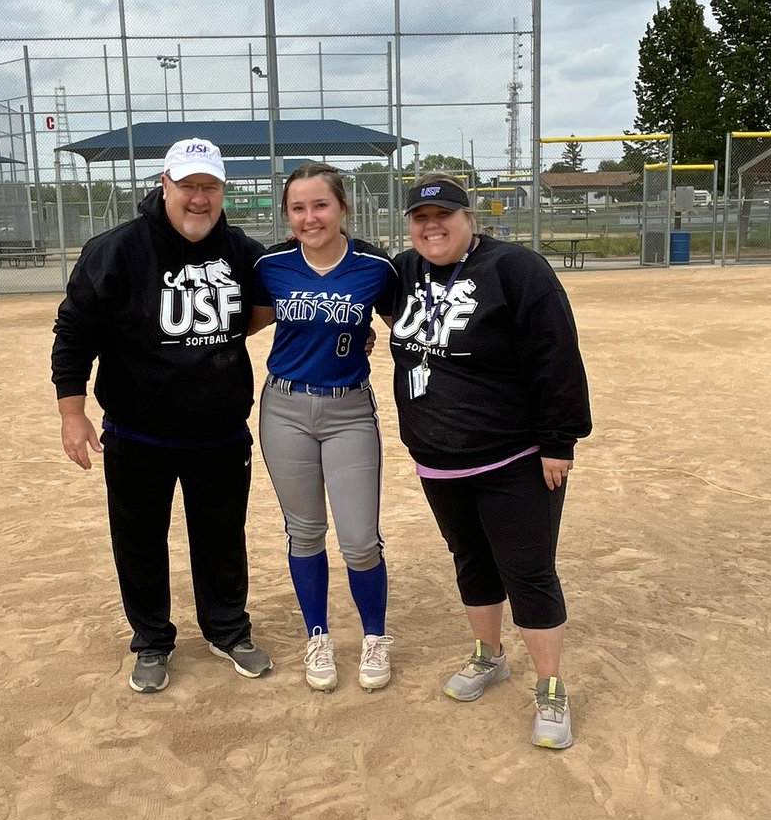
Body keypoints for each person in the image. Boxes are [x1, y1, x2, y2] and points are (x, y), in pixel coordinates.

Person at [51, 138, 273, 693]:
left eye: (210, 188)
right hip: (137, 430)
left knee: (222, 536)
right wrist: (71, 413)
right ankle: (151, 639)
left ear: (223, 192)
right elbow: (75, 333)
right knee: (139, 539)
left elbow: (280, 299)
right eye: (189, 186)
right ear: (165, 183)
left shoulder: (242, 251)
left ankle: (227, 629)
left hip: (220, 432)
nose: (199, 199)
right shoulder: (117, 250)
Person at [389, 175, 592, 748]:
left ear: (468, 217)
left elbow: (556, 354)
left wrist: (560, 440)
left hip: (516, 456)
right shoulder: (404, 273)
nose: (432, 225)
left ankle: (551, 688)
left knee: (528, 570)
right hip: (437, 458)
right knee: (471, 560)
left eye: (444, 214)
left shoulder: (516, 270)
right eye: (421, 216)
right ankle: (490, 655)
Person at [250, 163, 397, 693]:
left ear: (342, 209)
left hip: (350, 410)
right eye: (298, 207)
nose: (310, 218)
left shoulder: (374, 267)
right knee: (306, 531)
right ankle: (319, 635)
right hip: (284, 408)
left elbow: (406, 323)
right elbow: (241, 323)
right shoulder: (271, 265)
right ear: (287, 215)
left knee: (360, 540)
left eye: (320, 205)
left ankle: (375, 636)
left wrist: (371, 339)